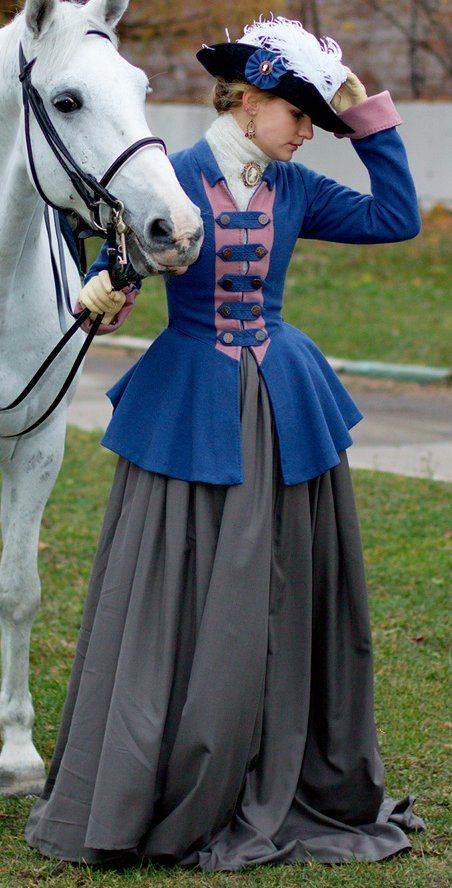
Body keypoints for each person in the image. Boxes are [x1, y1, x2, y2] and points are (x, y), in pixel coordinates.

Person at [25, 16, 425, 871]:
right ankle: (167, 766)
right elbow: (110, 255)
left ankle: (269, 751)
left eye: (317, 118)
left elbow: (398, 219)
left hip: (281, 403)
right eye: (298, 112)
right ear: (246, 103)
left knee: (276, 585)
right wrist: (108, 285)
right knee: (177, 587)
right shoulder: (168, 179)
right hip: (192, 409)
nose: (307, 129)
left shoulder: (302, 189)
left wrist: (369, 117)